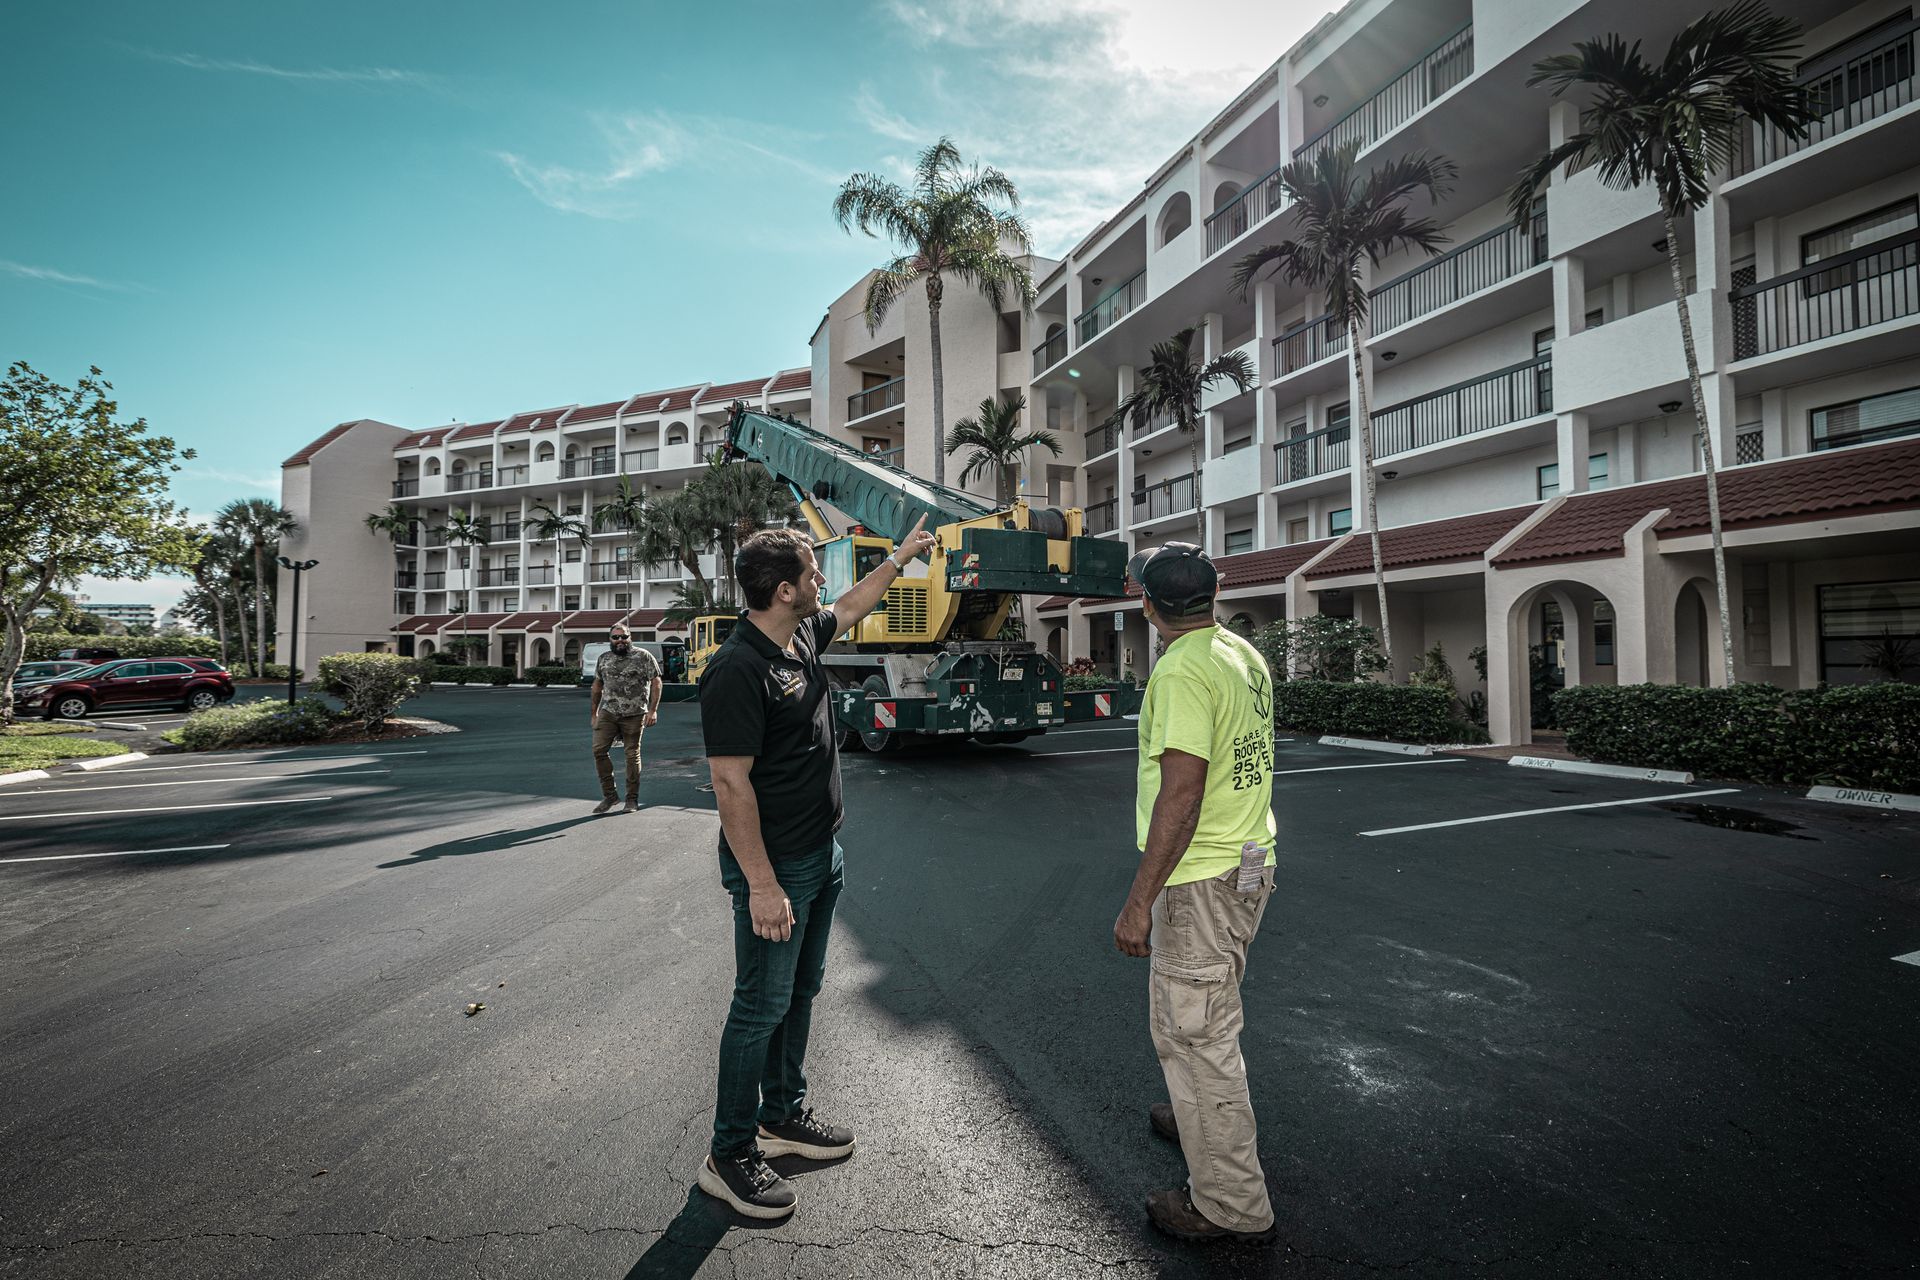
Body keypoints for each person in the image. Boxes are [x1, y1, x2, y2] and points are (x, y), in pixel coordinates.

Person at [695, 515, 936, 1219]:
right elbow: (730, 785)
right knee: (758, 1006)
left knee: (800, 992)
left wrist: (900, 559)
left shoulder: (798, 634)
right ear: (780, 589)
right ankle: (730, 1152)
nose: (822, 579)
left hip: (820, 855)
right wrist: (764, 886)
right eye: (811, 570)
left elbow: (855, 603)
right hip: (776, 871)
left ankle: (782, 1115)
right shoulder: (737, 670)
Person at [1110, 541, 1279, 1245]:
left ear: (1147, 606)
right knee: (1207, 1012)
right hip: (1249, 863)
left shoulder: (1180, 672)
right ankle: (1197, 1117)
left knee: (1196, 1033)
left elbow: (1182, 796)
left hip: (1199, 879)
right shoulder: (1240, 653)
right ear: (1216, 593)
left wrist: (1139, 899)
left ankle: (1231, 1205)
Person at [588, 623, 661, 814]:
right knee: (599, 751)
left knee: (631, 755)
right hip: (608, 712)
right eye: (615, 637)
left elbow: (656, 682)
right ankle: (610, 796)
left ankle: (632, 799)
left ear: (630, 637)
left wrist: (653, 710)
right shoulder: (603, 659)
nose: (620, 640)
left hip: (635, 713)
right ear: (610, 639)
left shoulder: (643, 656)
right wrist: (594, 713)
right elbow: (597, 686)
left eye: (624, 636)